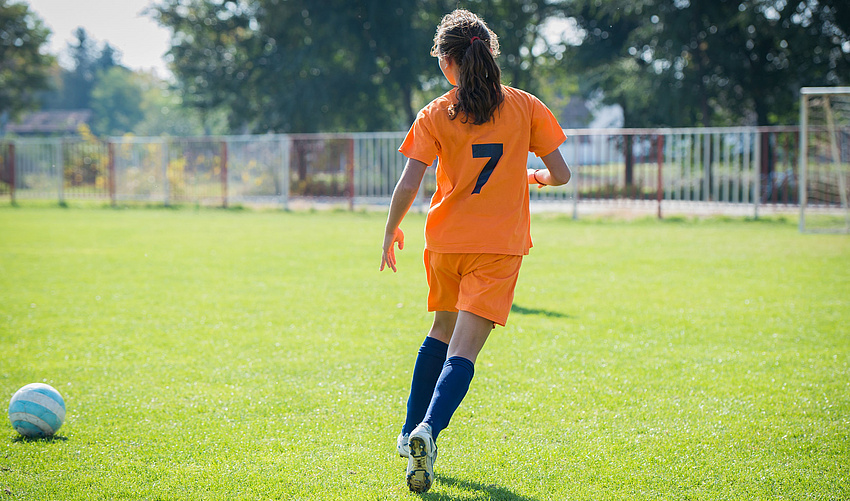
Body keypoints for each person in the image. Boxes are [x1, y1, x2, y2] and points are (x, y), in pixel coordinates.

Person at [379, 9, 571, 494]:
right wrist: (534, 176)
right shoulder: (525, 105)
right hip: (498, 247)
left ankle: (408, 431)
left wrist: (390, 230)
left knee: (440, 331)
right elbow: (561, 174)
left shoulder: (435, 112)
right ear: (488, 53)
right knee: (463, 349)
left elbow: (409, 181)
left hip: (446, 242)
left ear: (447, 62)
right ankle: (428, 430)